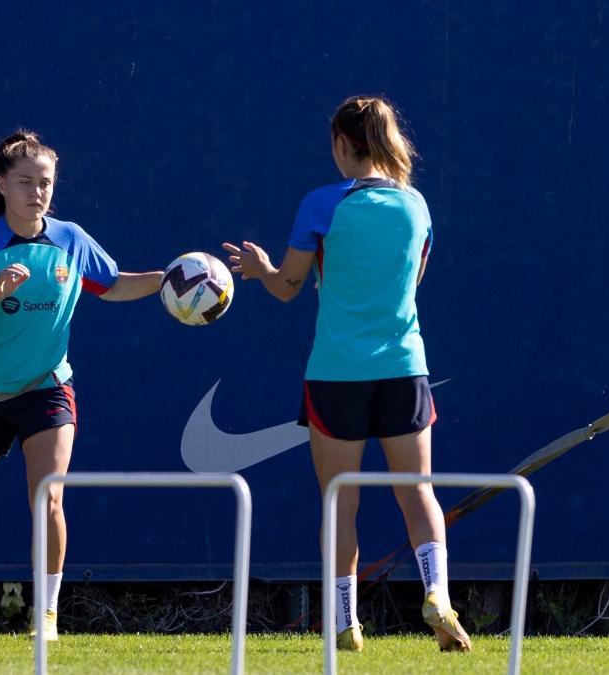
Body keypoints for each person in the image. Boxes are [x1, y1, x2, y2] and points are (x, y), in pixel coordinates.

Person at [223, 96, 471, 653]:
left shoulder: (323, 203)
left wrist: (262, 271)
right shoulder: (416, 205)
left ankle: (344, 621)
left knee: (340, 500)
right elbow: (412, 282)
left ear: (341, 144)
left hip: (337, 373)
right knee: (418, 492)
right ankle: (437, 593)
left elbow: (287, 288)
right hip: (404, 368)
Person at [0, 130, 164, 641]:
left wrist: (168, 280)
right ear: (4, 185)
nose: (37, 192)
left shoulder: (71, 239)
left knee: (48, 496)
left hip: (48, 388)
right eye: (26, 182)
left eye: (46, 183)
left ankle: (47, 614)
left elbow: (114, 284)